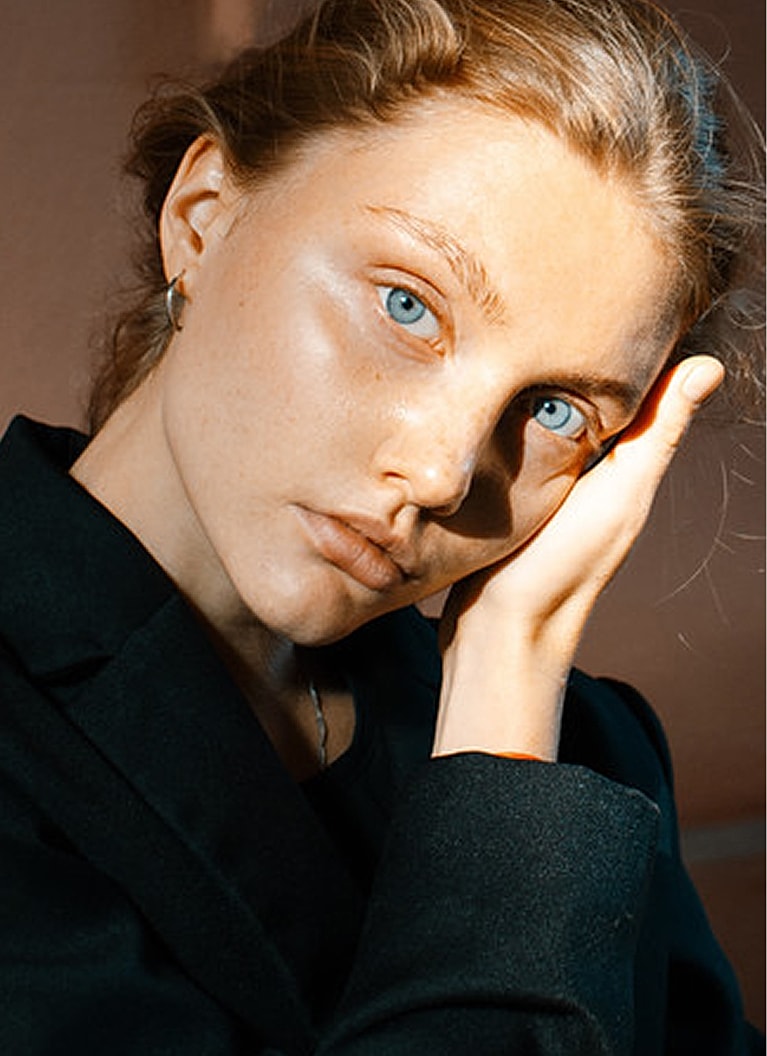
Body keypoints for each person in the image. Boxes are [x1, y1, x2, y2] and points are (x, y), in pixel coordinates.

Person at [0, 0, 763, 1052]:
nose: (444, 472)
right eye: (407, 305)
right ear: (204, 216)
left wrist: (510, 673)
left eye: (554, 412)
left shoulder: (580, 752)